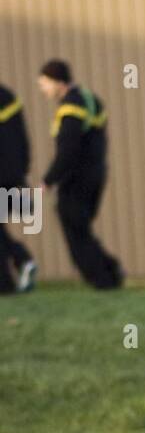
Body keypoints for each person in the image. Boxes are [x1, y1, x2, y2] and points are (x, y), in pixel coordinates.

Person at [37, 59, 124, 289]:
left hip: (77, 179)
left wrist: (48, 180)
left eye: (44, 83)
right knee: (82, 229)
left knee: (76, 232)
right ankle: (110, 271)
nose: (42, 89)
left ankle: (104, 279)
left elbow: (68, 149)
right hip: (96, 174)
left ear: (57, 82)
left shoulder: (70, 107)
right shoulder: (90, 99)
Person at [0, 83, 38, 293]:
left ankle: (12, 273)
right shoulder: (8, 96)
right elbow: (22, 138)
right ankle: (21, 261)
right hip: (13, 172)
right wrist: (22, 171)